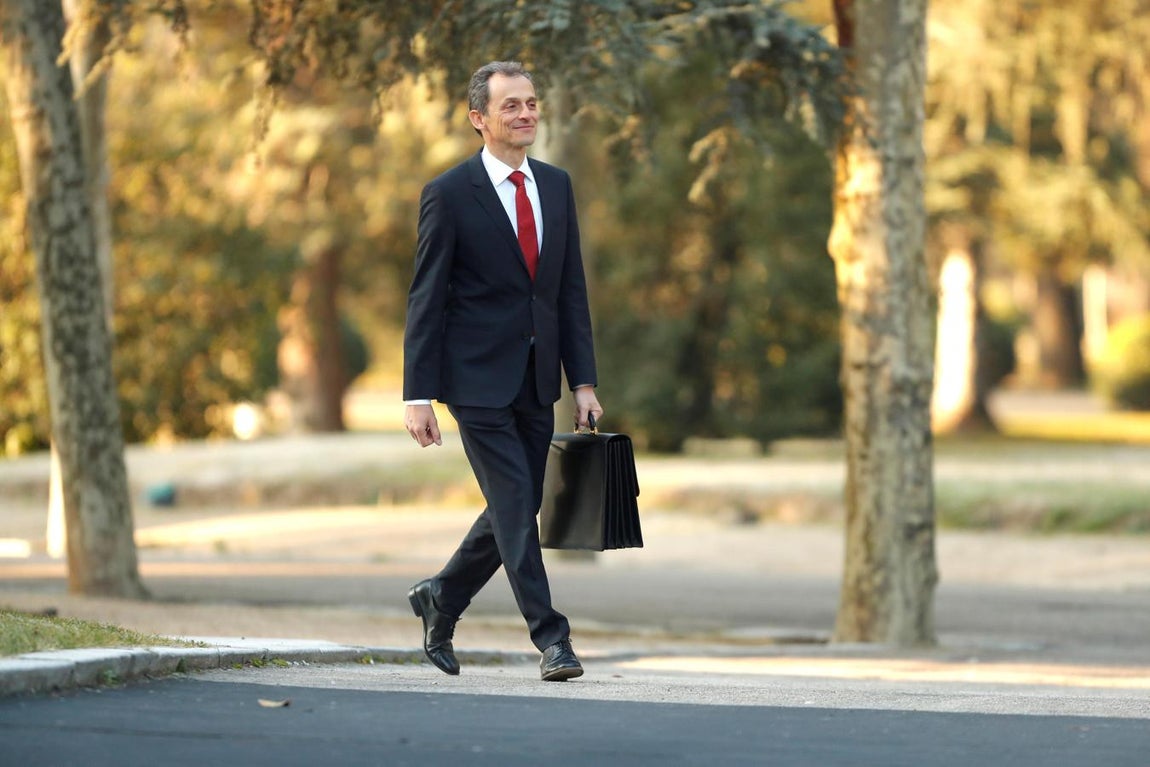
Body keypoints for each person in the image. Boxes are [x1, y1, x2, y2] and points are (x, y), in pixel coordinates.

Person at [402, 61, 603, 682]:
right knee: (517, 500)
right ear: (478, 118)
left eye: (531, 103)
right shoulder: (448, 193)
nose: (525, 114)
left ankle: (443, 596)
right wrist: (418, 394)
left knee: (514, 503)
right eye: (510, 105)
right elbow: (427, 296)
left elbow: (568, 289)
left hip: (537, 376)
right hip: (474, 380)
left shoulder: (557, 185)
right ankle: (553, 639)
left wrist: (583, 382)